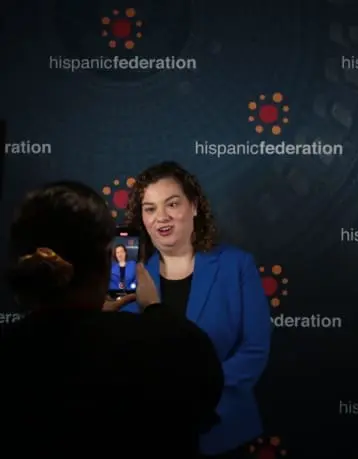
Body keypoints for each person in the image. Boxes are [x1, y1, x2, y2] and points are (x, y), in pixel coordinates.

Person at [0, 181, 224, 457]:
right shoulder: (171, 347)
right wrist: (154, 307)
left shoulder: (11, 350)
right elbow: (203, 390)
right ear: (108, 257)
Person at [121, 161, 271, 458]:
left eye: (172, 204)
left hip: (222, 429)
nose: (161, 217)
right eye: (150, 209)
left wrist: (197, 395)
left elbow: (254, 349)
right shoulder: (128, 276)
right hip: (150, 433)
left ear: (194, 206)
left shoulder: (236, 265)